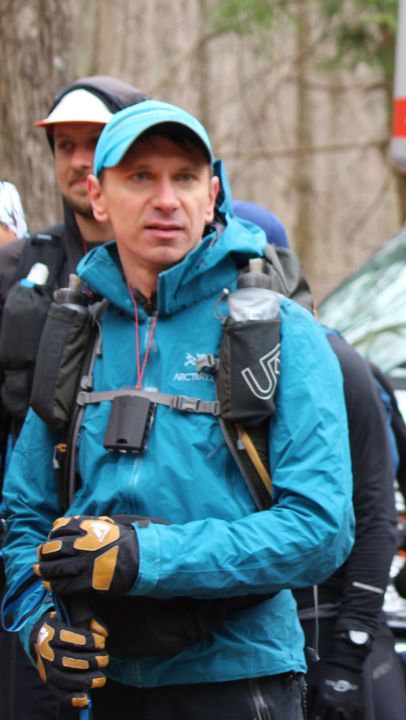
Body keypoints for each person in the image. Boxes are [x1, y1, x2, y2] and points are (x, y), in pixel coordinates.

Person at [1, 100, 353, 718]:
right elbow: (24, 517)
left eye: (184, 178)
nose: (166, 198)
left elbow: (321, 531)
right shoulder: (71, 336)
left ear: (212, 194)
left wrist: (144, 559)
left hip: (239, 680)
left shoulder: (283, 332)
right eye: (140, 177)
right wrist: (41, 628)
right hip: (102, 690)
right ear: (98, 196)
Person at [0, 76, 146, 720]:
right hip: (37, 578)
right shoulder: (18, 273)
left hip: (152, 582)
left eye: (96, 142)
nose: (79, 161)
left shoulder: (176, 281)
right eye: (64, 145)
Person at [233, 199, 406, 720]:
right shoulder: (206, 357)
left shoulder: (332, 358)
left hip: (334, 628)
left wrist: (348, 658)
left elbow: (375, 511)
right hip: (253, 643)